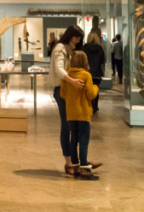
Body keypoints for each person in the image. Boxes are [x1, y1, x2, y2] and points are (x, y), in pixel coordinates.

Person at [52, 26, 101, 175]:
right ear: (70, 36)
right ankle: (70, 163)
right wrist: (72, 81)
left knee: (74, 129)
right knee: (68, 127)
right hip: (64, 89)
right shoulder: (60, 49)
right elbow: (59, 69)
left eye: (80, 38)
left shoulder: (69, 49)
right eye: (77, 37)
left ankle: (80, 161)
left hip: (69, 89)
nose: (79, 40)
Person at [60, 51, 99, 178]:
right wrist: (96, 88)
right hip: (83, 113)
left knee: (74, 138)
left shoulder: (67, 76)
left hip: (71, 112)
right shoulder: (86, 76)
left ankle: (75, 164)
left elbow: (62, 94)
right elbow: (91, 94)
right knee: (83, 138)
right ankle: (84, 166)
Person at [81, 32, 106, 113]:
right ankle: (95, 106)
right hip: (97, 72)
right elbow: (102, 60)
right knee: (96, 89)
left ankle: (89, 105)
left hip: (87, 71)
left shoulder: (85, 47)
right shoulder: (99, 48)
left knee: (86, 89)